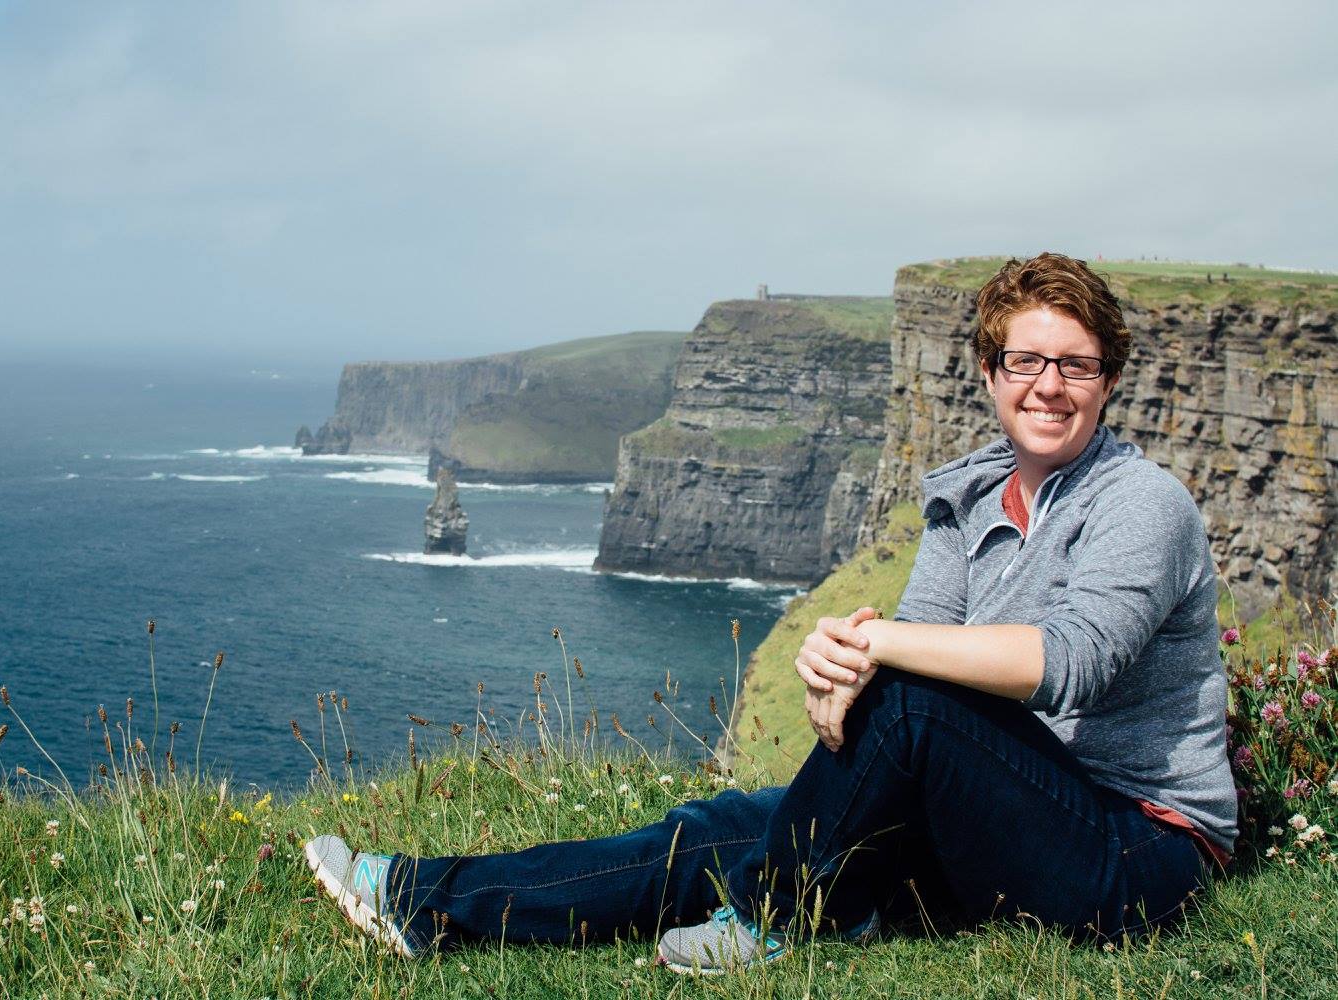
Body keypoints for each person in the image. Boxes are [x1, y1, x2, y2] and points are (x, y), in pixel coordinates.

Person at [303, 252, 1238, 974]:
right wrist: (841, 671)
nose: (1050, 386)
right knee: (717, 827)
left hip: (1134, 851)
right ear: (989, 373)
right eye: (1026, 359)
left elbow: (1071, 663)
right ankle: (427, 901)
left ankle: (776, 920)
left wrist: (871, 652)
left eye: (1077, 365)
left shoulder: (1139, 502)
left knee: (903, 707)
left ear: (1109, 380)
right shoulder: (967, 499)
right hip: (998, 819)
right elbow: (920, 653)